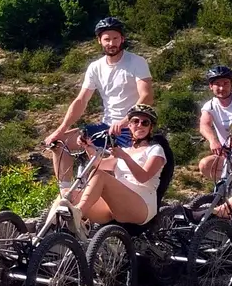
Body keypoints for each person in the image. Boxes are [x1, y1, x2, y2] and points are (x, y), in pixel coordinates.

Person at [44, 16, 153, 187]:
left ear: (122, 39)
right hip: (106, 127)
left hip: (130, 129)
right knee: (59, 143)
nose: (111, 43)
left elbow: (146, 96)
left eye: (115, 38)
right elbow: (81, 100)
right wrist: (60, 130)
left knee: (113, 167)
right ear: (99, 41)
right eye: (107, 39)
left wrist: (125, 122)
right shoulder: (95, 67)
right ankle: (65, 194)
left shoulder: (137, 62)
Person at [70, 102, 164, 226]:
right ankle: (47, 238)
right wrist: (87, 146)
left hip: (142, 205)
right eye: (135, 121)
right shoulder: (124, 151)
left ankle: (78, 213)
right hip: (117, 205)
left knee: (99, 175)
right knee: (68, 194)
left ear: (151, 128)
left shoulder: (155, 149)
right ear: (129, 125)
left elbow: (143, 177)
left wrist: (124, 157)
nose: (140, 125)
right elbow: (99, 163)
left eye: (145, 123)